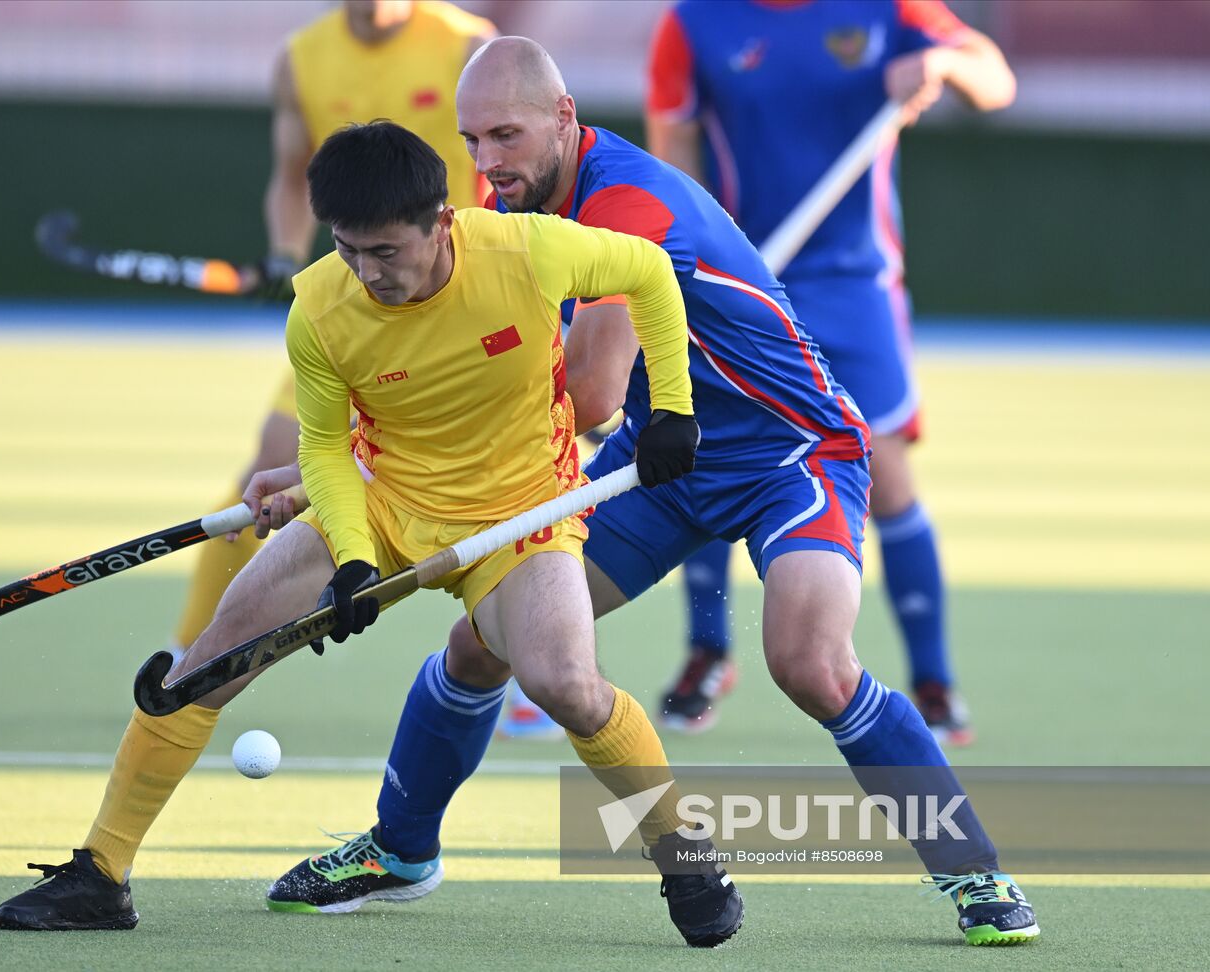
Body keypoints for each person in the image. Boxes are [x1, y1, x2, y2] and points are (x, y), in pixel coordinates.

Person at [263, 37, 1038, 947]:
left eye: (505, 136)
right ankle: (399, 851)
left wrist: (386, 462)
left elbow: (585, 392)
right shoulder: (496, 206)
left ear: (564, 118)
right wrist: (351, 457)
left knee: (811, 663)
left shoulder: (624, 203)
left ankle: (974, 871)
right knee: (482, 645)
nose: (486, 164)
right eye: (471, 141)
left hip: (789, 454)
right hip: (654, 463)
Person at [0, 120, 744, 949]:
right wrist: (350, 558)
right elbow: (322, 445)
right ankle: (101, 872)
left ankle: (684, 855)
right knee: (207, 659)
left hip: (522, 517)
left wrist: (671, 404)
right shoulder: (319, 305)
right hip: (385, 499)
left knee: (566, 683)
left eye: (387, 251)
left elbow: (646, 271)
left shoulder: (527, 250)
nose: (368, 273)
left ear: (442, 222)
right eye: (351, 250)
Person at [645, 0, 1018, 743]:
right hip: (745, 273)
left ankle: (934, 679)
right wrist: (686, 264)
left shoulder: (892, 7)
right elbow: (673, 151)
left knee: (885, 472)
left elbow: (995, 81)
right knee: (709, 449)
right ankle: (708, 653)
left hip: (855, 281)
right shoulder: (691, 23)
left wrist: (942, 64)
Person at [169, 0, 497, 668]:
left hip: (469, 314)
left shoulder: (471, 48)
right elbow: (292, 178)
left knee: (513, 492)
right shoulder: (302, 59)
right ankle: (188, 659)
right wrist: (285, 254)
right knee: (260, 478)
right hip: (361, 311)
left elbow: (508, 184)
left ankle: (524, 669)